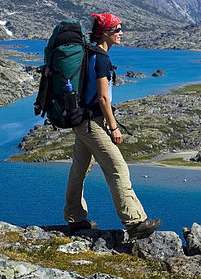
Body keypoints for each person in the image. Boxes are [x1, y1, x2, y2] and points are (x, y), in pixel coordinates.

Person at [63, 13, 161, 239]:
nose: (120, 33)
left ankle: (75, 219)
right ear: (105, 32)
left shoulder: (88, 53)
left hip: (80, 121)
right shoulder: (102, 59)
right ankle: (134, 221)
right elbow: (103, 98)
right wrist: (114, 127)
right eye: (116, 29)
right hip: (92, 123)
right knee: (117, 168)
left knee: (79, 171)